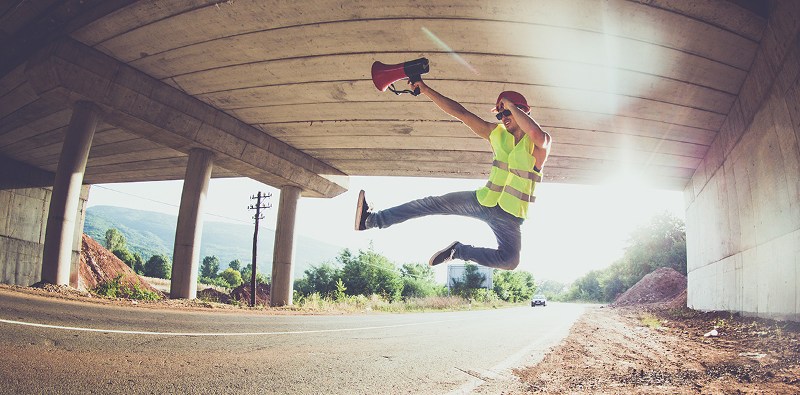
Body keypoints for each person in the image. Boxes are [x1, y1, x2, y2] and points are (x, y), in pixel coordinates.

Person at [354, 79, 551, 270]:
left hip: (510, 217)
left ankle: (458, 252)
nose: (503, 117)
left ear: (524, 110)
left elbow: (536, 134)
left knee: (510, 261)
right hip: (482, 201)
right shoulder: (496, 133)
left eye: (507, 111)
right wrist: (426, 90)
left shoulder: (540, 143)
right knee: (430, 203)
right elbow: (461, 113)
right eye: (500, 114)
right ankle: (371, 220)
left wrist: (509, 104)